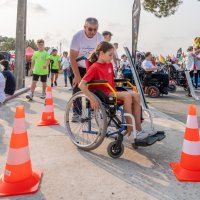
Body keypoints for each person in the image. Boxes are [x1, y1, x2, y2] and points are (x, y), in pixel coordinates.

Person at [79, 41, 149, 142]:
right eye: (110, 55)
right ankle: (131, 132)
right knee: (127, 96)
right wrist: (92, 98)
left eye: (112, 55)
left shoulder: (109, 65)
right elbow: (81, 84)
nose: (112, 57)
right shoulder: (94, 67)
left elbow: (112, 81)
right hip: (104, 94)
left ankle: (138, 130)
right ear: (102, 53)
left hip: (112, 91)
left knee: (136, 95)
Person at [70, 17, 104, 121]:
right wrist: (77, 75)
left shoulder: (100, 37)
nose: (92, 32)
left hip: (92, 67)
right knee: (78, 87)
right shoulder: (77, 37)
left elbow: (102, 56)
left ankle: (93, 110)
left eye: (95, 29)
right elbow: (72, 58)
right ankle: (76, 112)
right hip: (78, 65)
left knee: (94, 89)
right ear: (84, 27)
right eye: (90, 29)